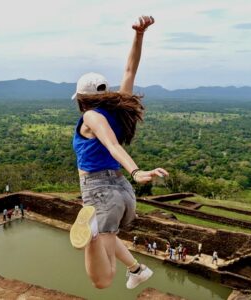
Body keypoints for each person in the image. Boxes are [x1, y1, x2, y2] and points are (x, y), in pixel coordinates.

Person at [69, 15, 169, 290]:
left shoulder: (91, 116)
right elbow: (129, 70)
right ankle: (137, 268)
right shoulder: (120, 108)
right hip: (121, 191)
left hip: (99, 188)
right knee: (110, 236)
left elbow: (111, 145)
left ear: (81, 98)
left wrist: (136, 171)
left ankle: (89, 235)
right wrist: (139, 35)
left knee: (102, 280)